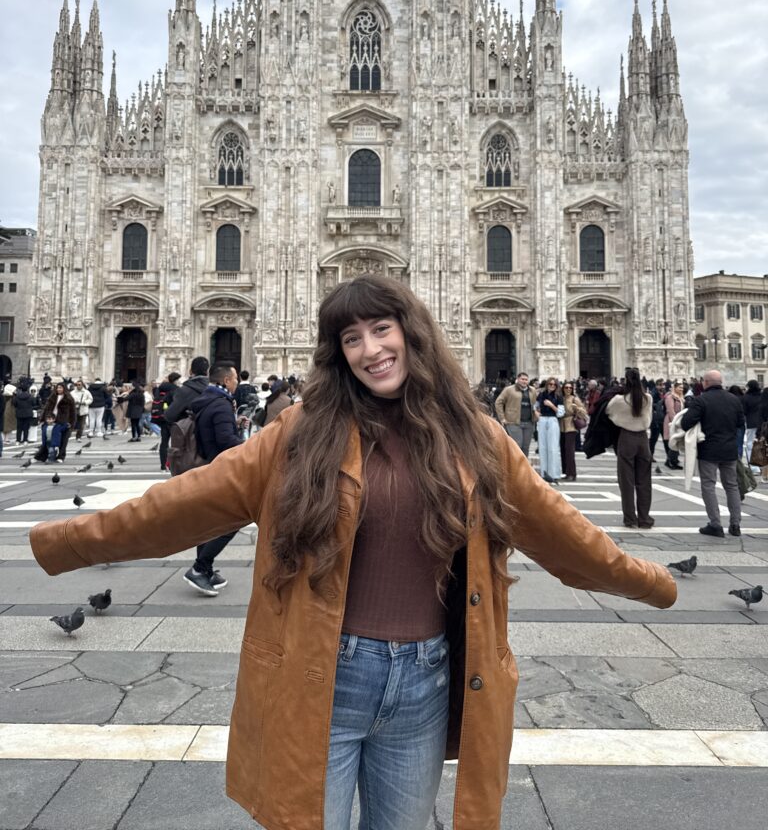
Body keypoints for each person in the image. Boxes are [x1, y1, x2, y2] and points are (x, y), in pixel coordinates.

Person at [29, 274, 677, 830]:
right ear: (338, 354)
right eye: (351, 338)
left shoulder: (474, 438)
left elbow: (560, 530)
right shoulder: (299, 437)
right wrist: (62, 542)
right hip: (323, 673)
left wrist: (652, 583)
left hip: (426, 681)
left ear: (412, 335)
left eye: (382, 330)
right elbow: (179, 506)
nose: (371, 349)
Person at [182, 362, 244, 595]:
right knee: (233, 521)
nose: (237, 381)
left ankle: (205, 570)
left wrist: (234, 424)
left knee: (208, 524)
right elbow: (226, 441)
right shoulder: (221, 405)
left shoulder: (209, 401)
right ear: (226, 380)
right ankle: (199, 569)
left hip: (208, 467)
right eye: (235, 377)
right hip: (222, 470)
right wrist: (251, 446)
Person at [681, 369, 745, 537]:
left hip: (708, 450)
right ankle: (735, 524)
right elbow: (740, 423)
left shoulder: (701, 400)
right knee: (732, 486)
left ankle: (715, 524)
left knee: (708, 486)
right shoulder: (734, 400)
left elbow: (686, 423)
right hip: (729, 450)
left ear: (706, 383)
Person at [606, 367, 654, 529]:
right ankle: (645, 518)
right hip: (643, 440)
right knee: (644, 481)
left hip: (626, 438)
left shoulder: (619, 400)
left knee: (626, 482)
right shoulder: (648, 398)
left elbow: (608, 412)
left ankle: (630, 519)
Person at [494, 372, 537, 458]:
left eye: (526, 379)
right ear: (518, 379)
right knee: (517, 446)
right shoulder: (509, 390)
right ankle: (515, 468)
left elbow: (535, 403)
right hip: (513, 422)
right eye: (522, 379)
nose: (524, 381)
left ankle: (524, 468)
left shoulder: (532, 390)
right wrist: (502, 418)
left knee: (525, 447)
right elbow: (498, 402)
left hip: (529, 422)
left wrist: (536, 414)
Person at [164, 356, 210, 425]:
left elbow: (169, 416)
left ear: (190, 371)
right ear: (207, 372)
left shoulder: (184, 391)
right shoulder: (215, 390)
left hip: (191, 433)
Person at [37, 382, 77, 463]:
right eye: (58, 388)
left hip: (63, 422)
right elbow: (46, 408)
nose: (59, 389)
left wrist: (71, 423)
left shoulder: (69, 398)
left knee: (63, 440)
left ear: (64, 389)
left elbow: (73, 412)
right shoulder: (52, 397)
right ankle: (45, 456)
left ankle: (61, 457)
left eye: (61, 388)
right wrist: (42, 419)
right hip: (51, 420)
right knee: (49, 440)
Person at [535, 377, 564, 483]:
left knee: (553, 447)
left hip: (553, 419)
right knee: (542, 447)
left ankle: (554, 473)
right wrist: (537, 414)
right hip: (542, 419)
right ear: (547, 384)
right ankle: (544, 473)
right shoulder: (541, 395)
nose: (552, 386)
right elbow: (536, 406)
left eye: (554, 384)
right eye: (550, 384)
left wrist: (552, 405)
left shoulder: (559, 396)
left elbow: (560, 413)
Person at [153, 372, 181, 471]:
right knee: (175, 442)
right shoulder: (175, 390)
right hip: (172, 419)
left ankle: (163, 464)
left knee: (164, 442)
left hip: (161, 418)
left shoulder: (160, 389)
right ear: (175, 380)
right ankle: (173, 463)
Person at [559, 381, 587, 481]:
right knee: (563, 450)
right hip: (561, 426)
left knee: (570, 451)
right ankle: (566, 472)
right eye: (566, 388)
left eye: (570, 388)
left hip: (571, 426)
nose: (568, 389)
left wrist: (577, 409)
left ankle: (572, 473)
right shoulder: (561, 398)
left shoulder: (575, 399)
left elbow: (584, 412)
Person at [662, 381, 685, 469]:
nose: (681, 389)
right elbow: (670, 410)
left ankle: (672, 461)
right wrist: (674, 422)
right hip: (671, 421)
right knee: (673, 441)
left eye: (682, 388)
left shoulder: (680, 398)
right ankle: (670, 461)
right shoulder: (670, 397)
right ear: (674, 388)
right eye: (679, 387)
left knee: (676, 441)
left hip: (678, 421)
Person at [743, 380, 764, 473]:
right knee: (761, 443)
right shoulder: (762, 396)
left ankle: (753, 467)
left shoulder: (746, 397)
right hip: (762, 422)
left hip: (751, 422)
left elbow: (744, 411)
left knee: (750, 444)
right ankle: (761, 465)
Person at [12, 379, 36, 444]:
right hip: (28, 413)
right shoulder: (30, 397)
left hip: (19, 413)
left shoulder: (17, 397)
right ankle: (25, 440)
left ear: (21, 389)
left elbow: (14, 404)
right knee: (26, 427)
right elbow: (34, 403)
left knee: (19, 428)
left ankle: (18, 440)